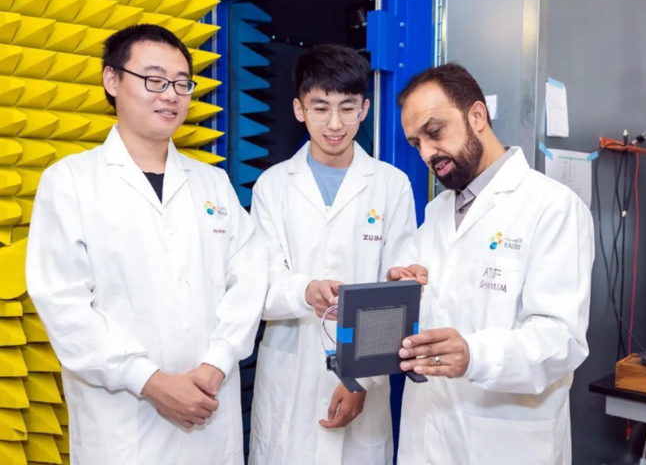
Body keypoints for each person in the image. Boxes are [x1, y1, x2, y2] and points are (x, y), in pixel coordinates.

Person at [25, 24, 267, 465]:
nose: (170, 95)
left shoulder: (212, 183)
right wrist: (149, 380)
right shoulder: (70, 182)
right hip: (122, 425)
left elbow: (250, 279)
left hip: (210, 411)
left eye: (181, 83)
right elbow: (63, 305)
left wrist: (217, 362)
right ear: (112, 80)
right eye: (154, 80)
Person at [388, 63, 594, 465]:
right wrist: (399, 289)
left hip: (505, 444)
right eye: (416, 144)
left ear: (477, 116)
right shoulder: (437, 212)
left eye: (434, 132)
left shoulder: (552, 208)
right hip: (427, 438)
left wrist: (474, 354)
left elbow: (562, 340)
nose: (427, 154)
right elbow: (420, 304)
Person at [248, 44, 417, 465]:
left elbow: (398, 291)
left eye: (347, 108)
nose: (335, 124)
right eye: (321, 108)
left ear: (364, 109)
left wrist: (362, 379)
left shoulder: (391, 185)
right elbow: (259, 284)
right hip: (291, 375)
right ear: (299, 109)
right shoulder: (272, 186)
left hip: (365, 378)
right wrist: (306, 290)